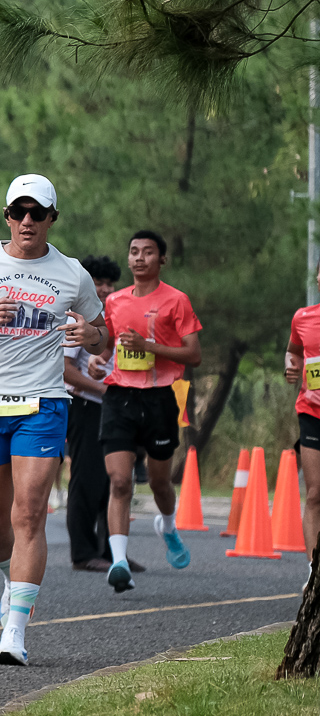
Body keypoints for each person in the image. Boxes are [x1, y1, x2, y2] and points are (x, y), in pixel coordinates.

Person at [0, 174, 108, 666]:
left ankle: (14, 632)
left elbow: (100, 331)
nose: (27, 221)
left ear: (52, 218)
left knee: (29, 513)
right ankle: (11, 579)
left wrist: (89, 335)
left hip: (44, 402)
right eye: (19, 212)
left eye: (37, 213)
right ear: (7, 216)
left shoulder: (72, 273)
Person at [99, 231, 201, 588]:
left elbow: (194, 354)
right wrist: (96, 356)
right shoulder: (114, 301)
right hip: (119, 397)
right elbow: (108, 345)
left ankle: (167, 526)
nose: (139, 258)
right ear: (128, 259)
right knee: (120, 481)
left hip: (160, 398)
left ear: (162, 260)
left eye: (148, 252)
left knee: (159, 482)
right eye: (134, 252)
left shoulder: (177, 301)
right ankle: (119, 562)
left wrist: (149, 346)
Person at [63, 255, 121, 572]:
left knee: (114, 481)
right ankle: (83, 553)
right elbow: (65, 369)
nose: (105, 289)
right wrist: (102, 390)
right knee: (86, 479)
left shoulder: (112, 317)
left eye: (110, 283)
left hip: (112, 408)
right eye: (99, 282)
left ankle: (112, 552)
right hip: (85, 405)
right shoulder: (78, 318)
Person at [282, 265, 320, 555]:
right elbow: (293, 352)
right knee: (315, 494)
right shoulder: (303, 317)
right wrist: (291, 367)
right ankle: (315, 570)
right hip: (311, 411)